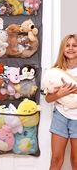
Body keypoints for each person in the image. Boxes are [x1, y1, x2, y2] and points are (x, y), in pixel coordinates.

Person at [45, 34, 77, 170]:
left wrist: (72, 90)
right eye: (67, 45)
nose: (70, 48)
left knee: (76, 161)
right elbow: (48, 98)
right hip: (60, 115)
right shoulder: (56, 71)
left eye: (74, 45)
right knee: (55, 159)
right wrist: (59, 94)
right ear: (62, 49)